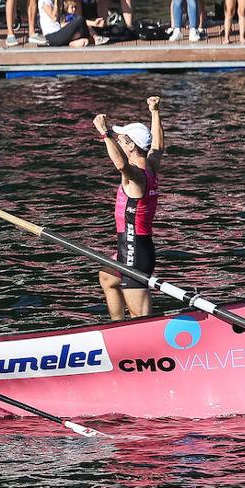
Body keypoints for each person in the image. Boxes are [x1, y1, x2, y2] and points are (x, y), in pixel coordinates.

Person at [93, 96, 164, 321]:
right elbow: (158, 147)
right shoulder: (150, 165)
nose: (119, 142)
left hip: (135, 252)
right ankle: (116, 327)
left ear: (132, 146)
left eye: (121, 140)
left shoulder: (135, 177)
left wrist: (105, 134)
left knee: (140, 318)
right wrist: (154, 111)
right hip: (130, 247)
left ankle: (142, 344)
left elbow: (121, 165)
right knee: (106, 277)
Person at [32, 0, 108, 48]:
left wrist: (94, 23)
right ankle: (87, 39)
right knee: (80, 19)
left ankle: (76, 41)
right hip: (52, 36)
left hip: (63, 32)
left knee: (80, 20)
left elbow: (70, 19)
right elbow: (54, 17)